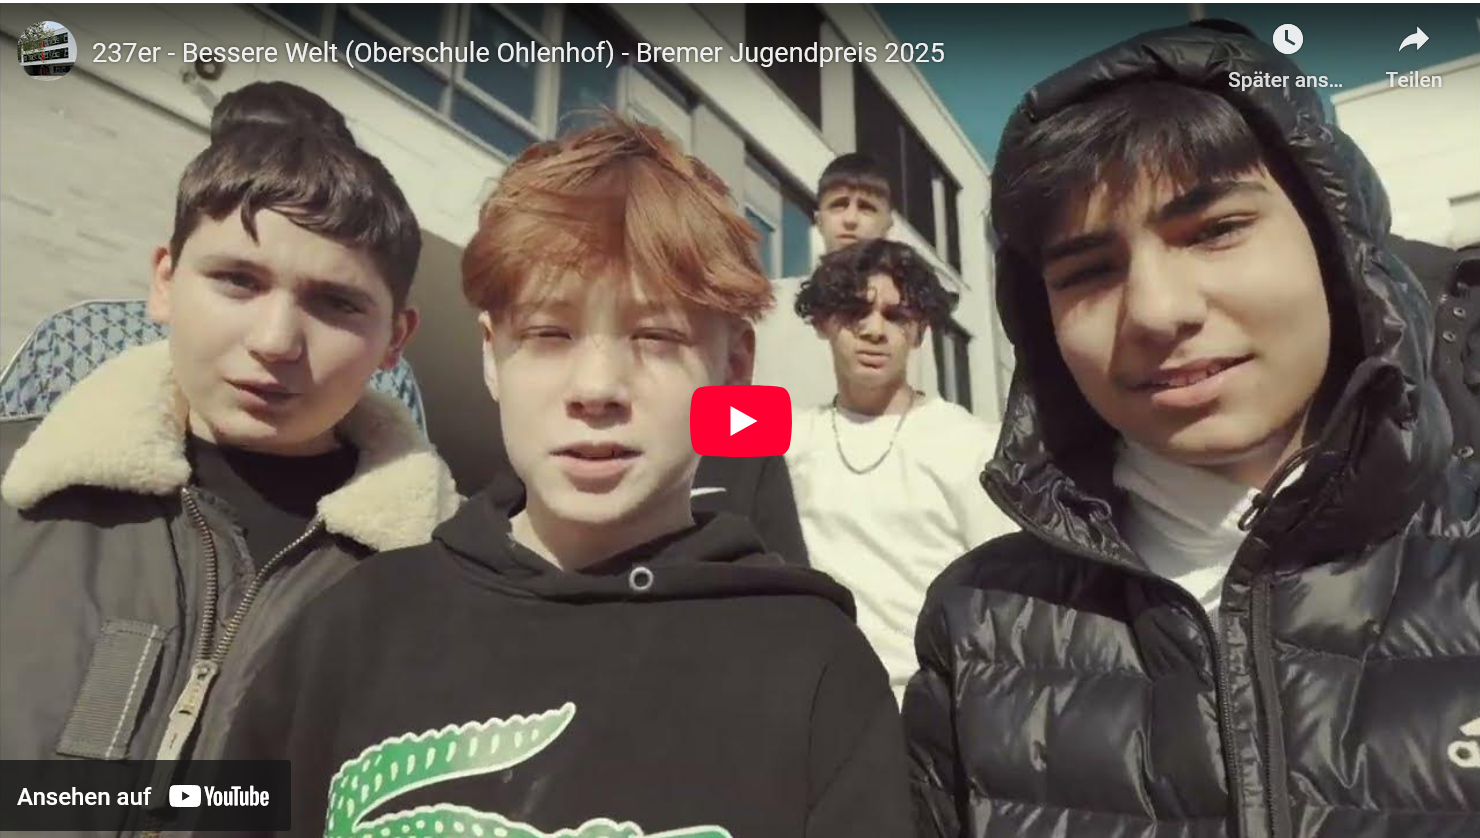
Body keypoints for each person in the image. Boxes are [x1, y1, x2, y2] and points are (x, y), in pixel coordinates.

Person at [217, 116, 911, 838]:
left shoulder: (817, 670)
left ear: (734, 369)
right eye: (549, 334)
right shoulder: (348, 626)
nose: (597, 387)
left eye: (656, 336)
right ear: (492, 354)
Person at [905, 21, 1479, 838]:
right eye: (1089, 271)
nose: (1156, 311)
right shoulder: (977, 624)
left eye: (1215, 231)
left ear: (1338, 248)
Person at [0, 81, 459, 772]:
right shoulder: (17, 493)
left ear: (396, 338)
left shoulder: (450, 581)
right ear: (165, 280)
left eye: (336, 304)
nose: (275, 341)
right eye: (238, 281)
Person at [786, 238, 1015, 702]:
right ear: (823, 322)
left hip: (931, 706)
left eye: (896, 316)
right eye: (856, 312)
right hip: (817, 704)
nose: (875, 330)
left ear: (919, 332)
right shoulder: (788, 432)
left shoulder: (970, 443)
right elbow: (685, 422)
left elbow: (1008, 601)